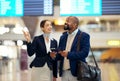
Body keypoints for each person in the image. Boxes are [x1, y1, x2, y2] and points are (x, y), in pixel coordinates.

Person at [56, 16, 90, 81]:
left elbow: (84, 53)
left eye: (68, 21)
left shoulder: (84, 36)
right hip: (64, 73)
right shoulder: (63, 37)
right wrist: (55, 55)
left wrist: (68, 55)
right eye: (66, 21)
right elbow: (60, 52)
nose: (66, 23)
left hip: (77, 73)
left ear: (75, 25)